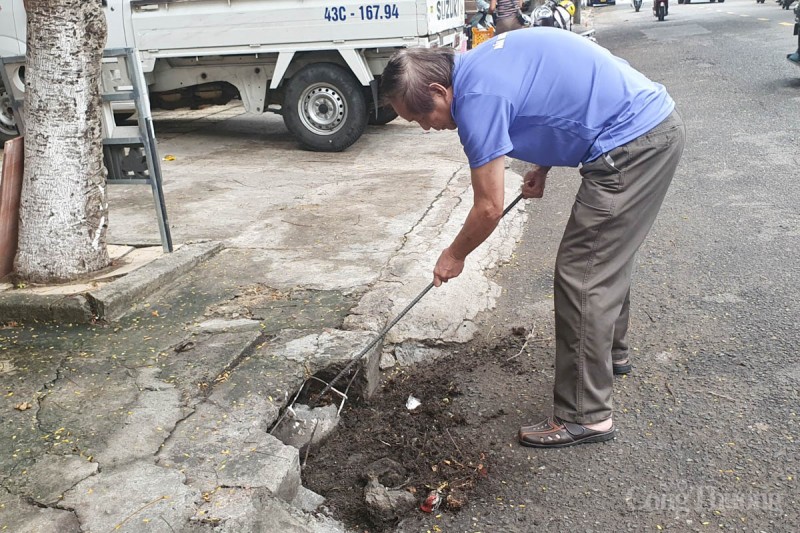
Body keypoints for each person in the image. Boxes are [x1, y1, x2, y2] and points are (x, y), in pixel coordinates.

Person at [381, 28, 685, 448]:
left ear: (439, 90)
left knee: (583, 273)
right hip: (647, 127)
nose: (425, 128)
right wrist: (542, 164)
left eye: (419, 117)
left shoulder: (476, 101)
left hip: (633, 144)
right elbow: (553, 95)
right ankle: (611, 357)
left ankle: (585, 415)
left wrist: (453, 255)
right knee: (605, 255)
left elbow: (488, 207)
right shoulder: (481, 64)